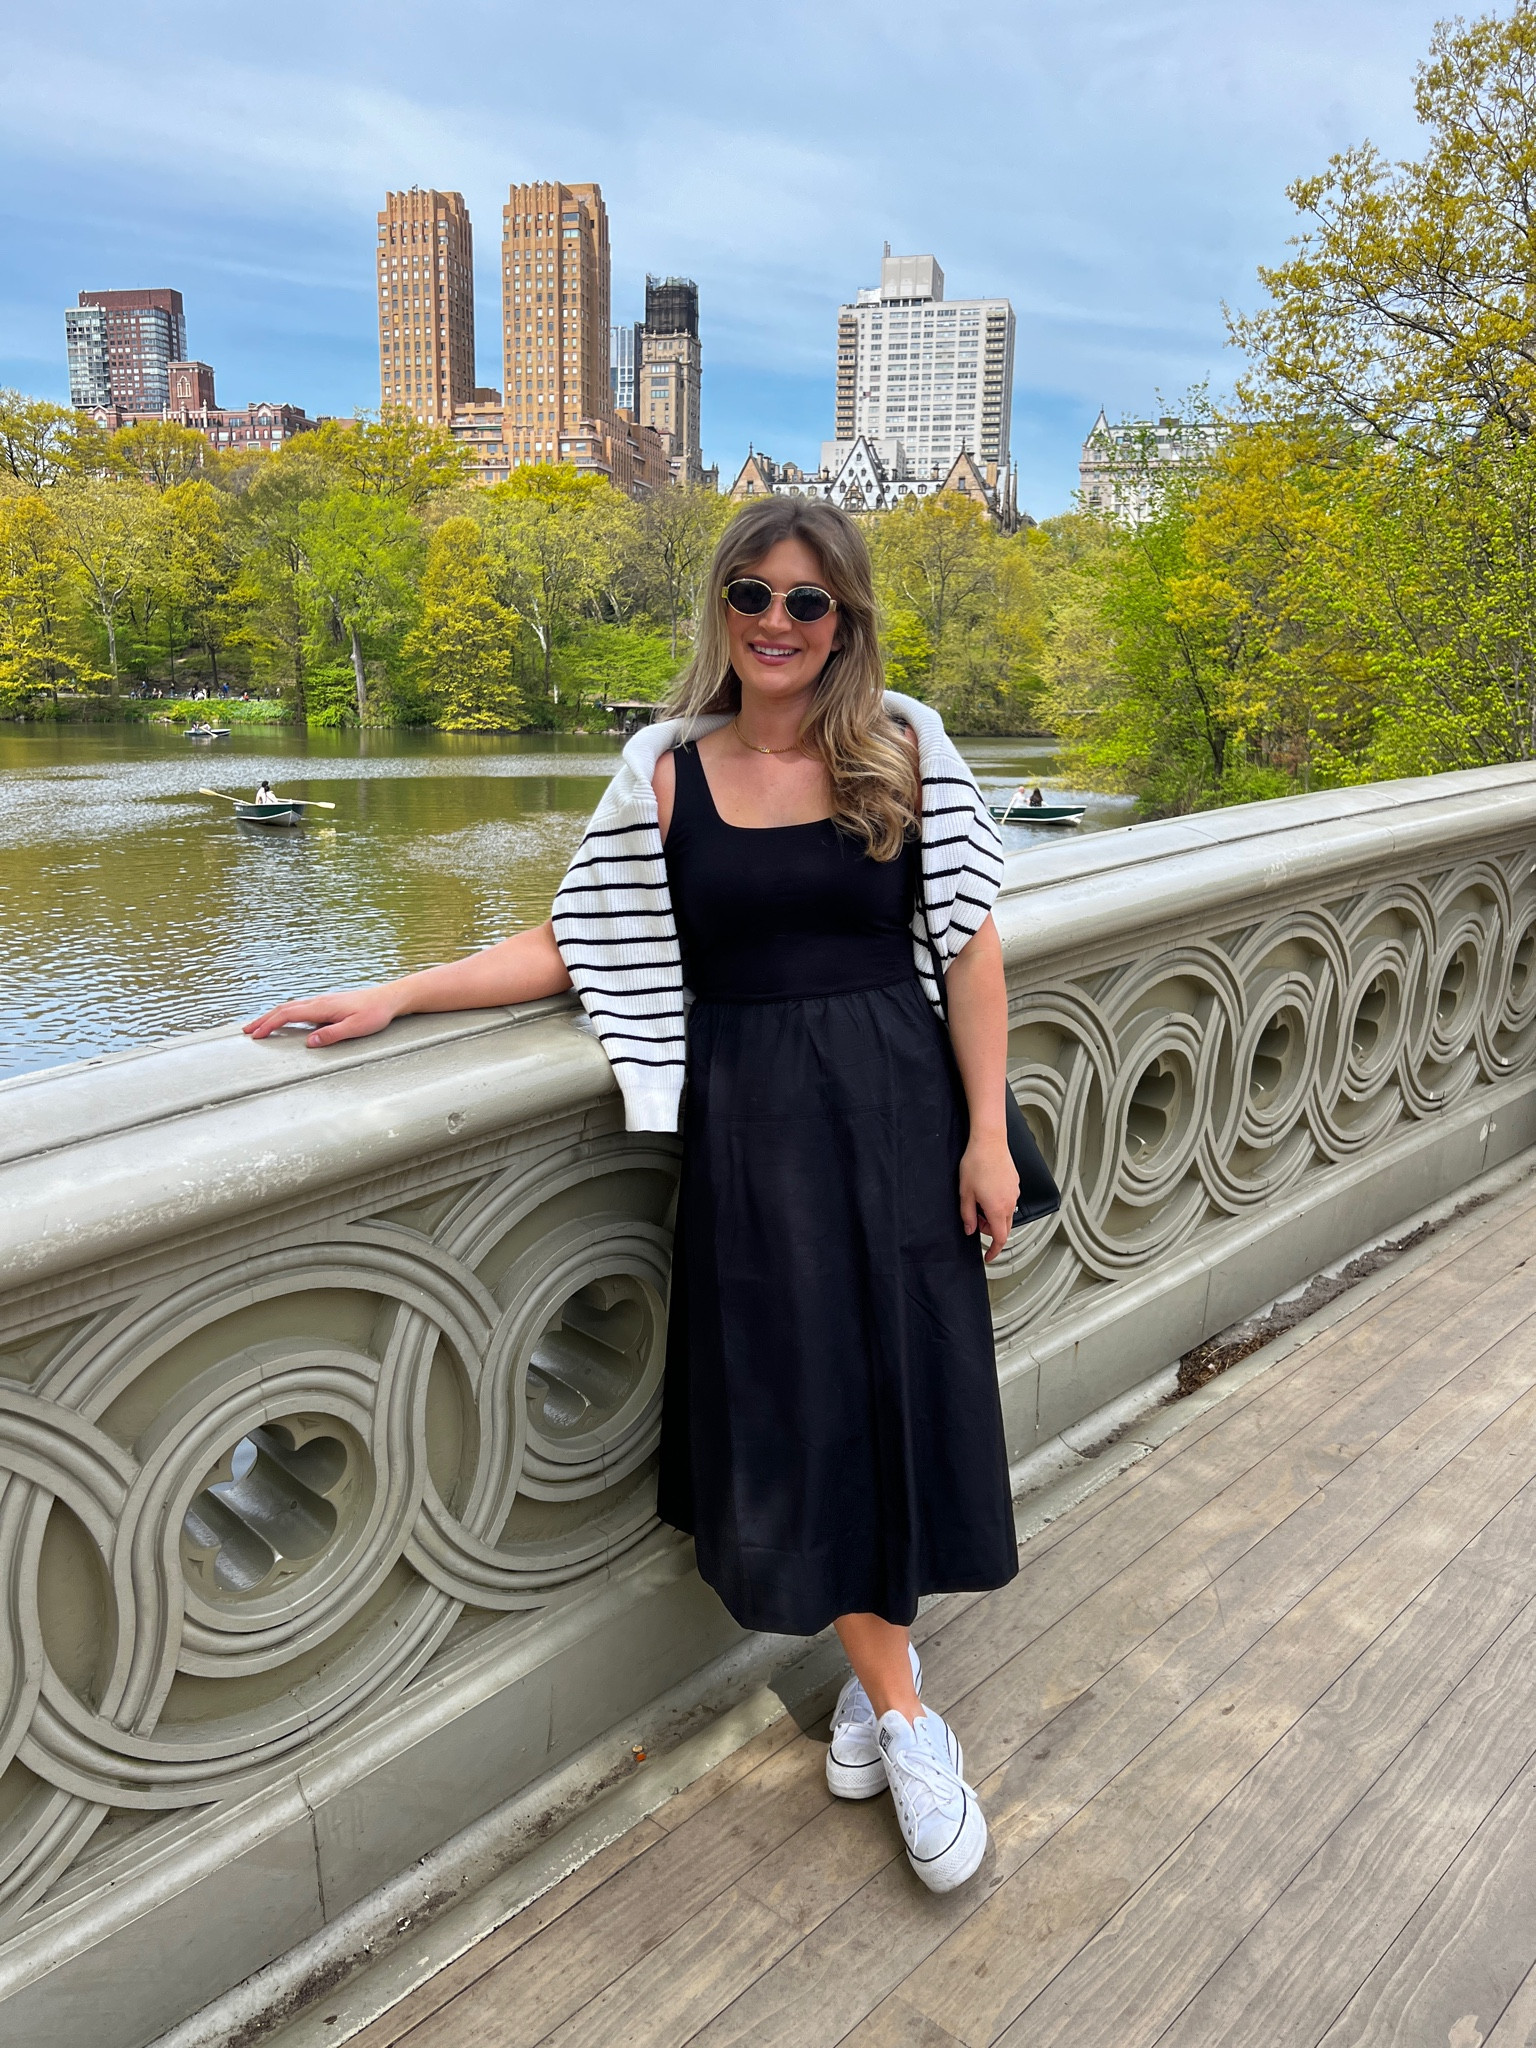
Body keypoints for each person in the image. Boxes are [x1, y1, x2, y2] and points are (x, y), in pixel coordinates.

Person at [244, 498, 1019, 1894]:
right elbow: (572, 936)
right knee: (809, 1404)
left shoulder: (904, 750)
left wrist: (987, 1134)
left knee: (899, 1385)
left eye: (806, 602)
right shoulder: (666, 771)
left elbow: (969, 949)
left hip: (898, 1114)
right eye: (750, 594)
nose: (775, 624)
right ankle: (902, 1712)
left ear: (846, 620)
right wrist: (400, 989)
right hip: (755, 1141)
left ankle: (882, 1699)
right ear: (719, 609)